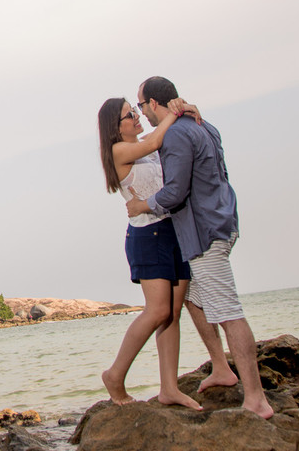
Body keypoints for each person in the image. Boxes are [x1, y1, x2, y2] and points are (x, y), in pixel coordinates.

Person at [126, 75, 273, 419]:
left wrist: (143, 206)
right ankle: (221, 368)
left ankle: (256, 399)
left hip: (204, 232)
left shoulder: (176, 134)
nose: (142, 112)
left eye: (142, 105)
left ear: (154, 104)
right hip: (220, 223)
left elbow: (175, 193)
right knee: (191, 298)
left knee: (228, 312)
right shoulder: (203, 124)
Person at [96, 95, 202, 410]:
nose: (137, 117)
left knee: (172, 313)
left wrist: (189, 113)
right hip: (148, 234)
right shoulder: (119, 151)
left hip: (173, 230)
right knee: (157, 311)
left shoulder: (145, 143)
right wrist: (174, 111)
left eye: (135, 111)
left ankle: (169, 387)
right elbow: (156, 140)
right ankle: (114, 375)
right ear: (116, 128)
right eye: (130, 115)